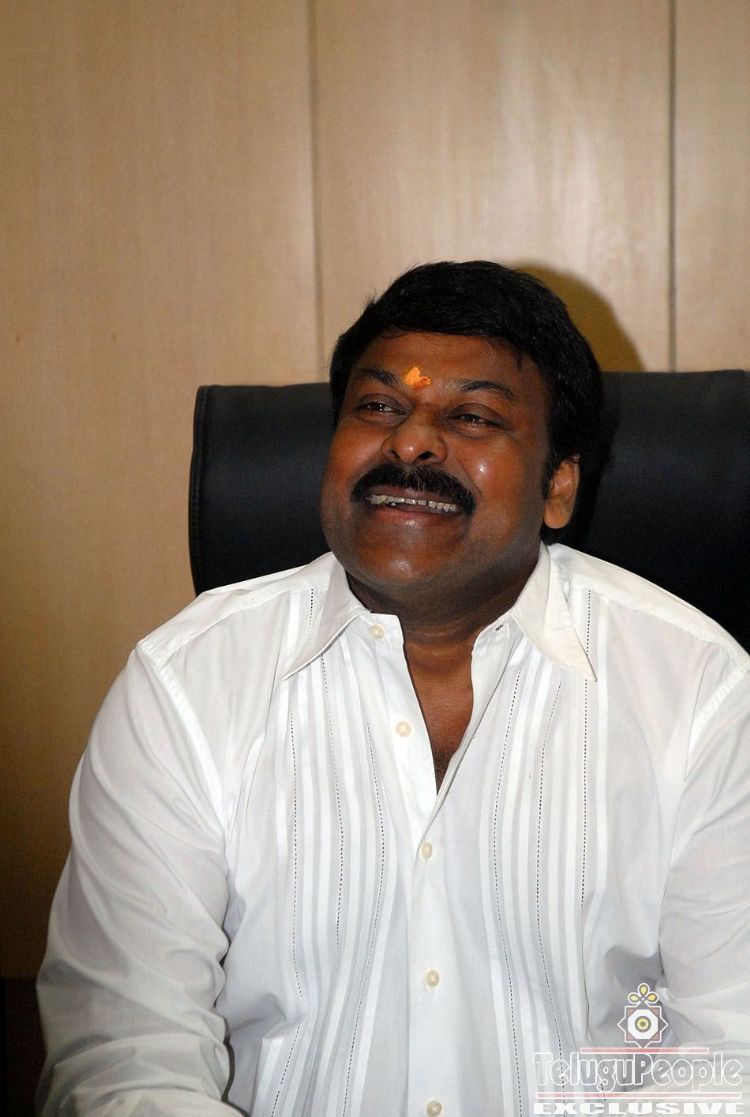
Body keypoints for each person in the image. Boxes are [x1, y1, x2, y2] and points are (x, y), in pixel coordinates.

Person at [37, 262, 750, 1116]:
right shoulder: (186, 685)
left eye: (473, 416)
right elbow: (126, 1054)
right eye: (378, 406)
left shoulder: (699, 691)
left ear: (558, 485)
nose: (410, 443)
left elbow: (729, 1051)